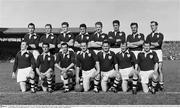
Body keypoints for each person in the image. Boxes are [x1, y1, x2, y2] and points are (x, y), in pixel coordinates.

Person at [146, 21, 164, 91]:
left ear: (156, 26)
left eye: (153, 25)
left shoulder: (160, 35)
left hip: (158, 52)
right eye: (151, 26)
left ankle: (161, 85)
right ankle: (152, 84)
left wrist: (150, 44)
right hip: (151, 53)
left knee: (159, 70)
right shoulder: (148, 35)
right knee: (152, 69)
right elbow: (146, 45)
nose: (152, 27)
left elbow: (158, 44)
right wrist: (151, 45)